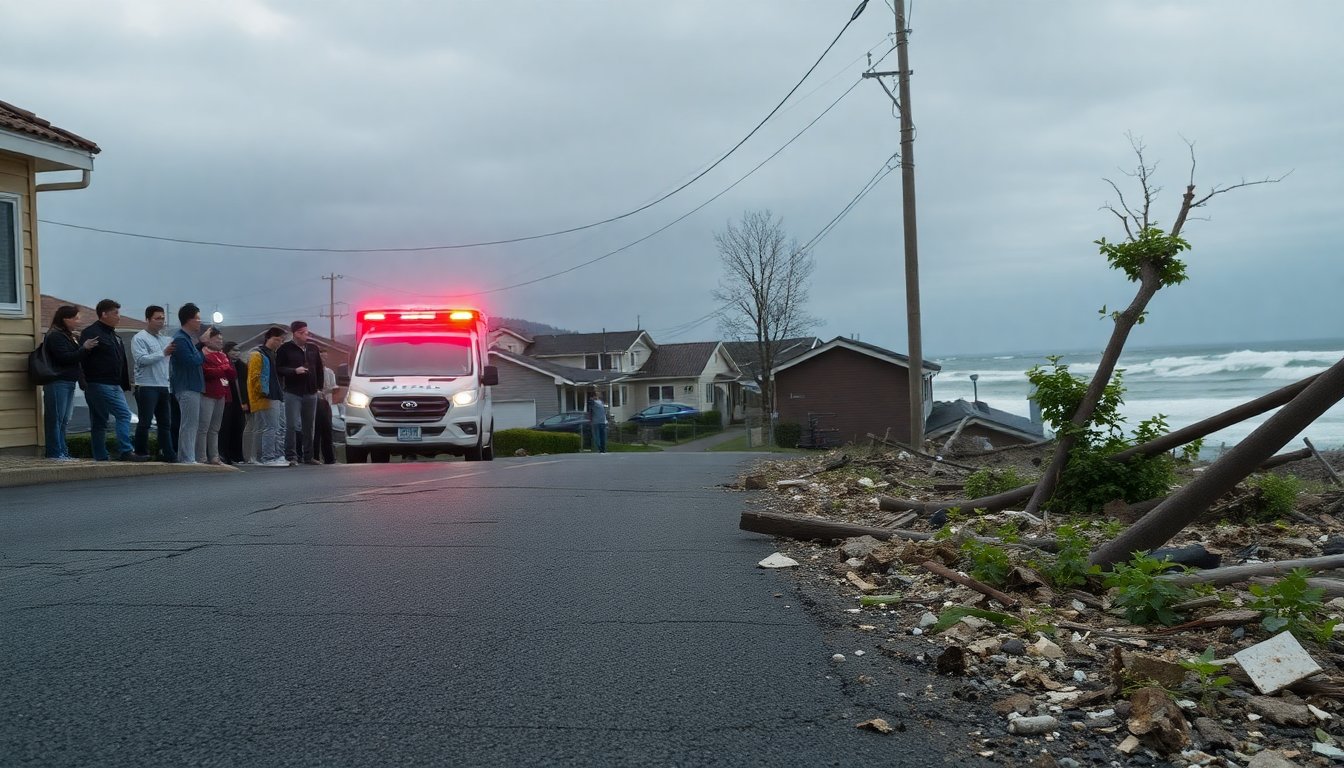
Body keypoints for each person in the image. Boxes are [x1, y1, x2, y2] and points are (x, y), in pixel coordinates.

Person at [78, 299, 147, 462]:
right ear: (104, 314)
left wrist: (124, 383)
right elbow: (82, 358)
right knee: (123, 414)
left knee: (99, 421)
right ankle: (125, 450)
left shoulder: (114, 335)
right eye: (115, 313)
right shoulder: (92, 333)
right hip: (99, 383)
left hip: (114, 384)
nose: (119, 317)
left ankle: (100, 456)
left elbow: (120, 360)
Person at [42, 305, 96, 460]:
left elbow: (75, 358)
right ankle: (54, 453)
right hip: (57, 381)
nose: (79, 321)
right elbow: (64, 358)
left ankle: (63, 451)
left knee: (64, 420)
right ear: (66, 319)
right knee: (56, 419)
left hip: (68, 381)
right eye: (76, 318)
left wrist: (81, 346)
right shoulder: (55, 335)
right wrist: (84, 348)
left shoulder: (69, 335)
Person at [130, 305, 177, 461]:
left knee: (165, 423)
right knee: (145, 421)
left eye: (163, 318)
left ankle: (167, 453)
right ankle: (141, 452)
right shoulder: (140, 338)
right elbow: (141, 360)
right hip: (146, 385)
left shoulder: (165, 339)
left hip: (164, 385)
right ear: (148, 319)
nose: (161, 321)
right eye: (157, 318)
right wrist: (163, 353)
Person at [276, 321, 324, 466]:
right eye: (302, 333)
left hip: (311, 392)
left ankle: (309, 456)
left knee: (309, 425)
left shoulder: (313, 348)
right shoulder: (285, 349)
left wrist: (319, 387)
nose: (305, 335)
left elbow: (319, 369)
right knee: (291, 425)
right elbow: (279, 368)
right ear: (295, 333)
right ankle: (291, 456)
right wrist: (293, 371)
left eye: (306, 332)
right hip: (293, 392)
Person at [169, 303, 205, 463]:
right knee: (188, 424)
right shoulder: (180, 339)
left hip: (192, 386)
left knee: (192, 423)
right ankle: (186, 457)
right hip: (186, 386)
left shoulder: (188, 339)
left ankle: (188, 456)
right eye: (197, 318)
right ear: (188, 320)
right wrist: (201, 351)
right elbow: (191, 361)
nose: (200, 321)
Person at [248, 327, 289, 467]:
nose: (279, 342)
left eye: (281, 340)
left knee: (279, 427)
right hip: (267, 394)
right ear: (268, 338)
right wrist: (260, 393)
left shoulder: (275, 355)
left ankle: (277, 455)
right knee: (270, 427)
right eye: (277, 339)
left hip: (277, 393)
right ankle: (268, 457)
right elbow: (254, 377)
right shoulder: (258, 354)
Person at [196, 327, 235, 466]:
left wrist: (223, 368)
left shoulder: (223, 355)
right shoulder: (202, 354)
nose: (220, 341)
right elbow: (206, 373)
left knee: (215, 428)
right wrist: (222, 368)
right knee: (204, 427)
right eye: (217, 338)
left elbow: (232, 374)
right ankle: (201, 456)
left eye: (221, 339)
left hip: (222, 393)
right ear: (208, 339)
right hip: (207, 393)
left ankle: (214, 456)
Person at [219, 341, 247, 464]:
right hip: (226, 399)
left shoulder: (242, 365)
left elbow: (245, 385)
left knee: (239, 427)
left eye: (238, 350)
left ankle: (237, 455)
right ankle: (225, 455)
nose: (237, 353)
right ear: (227, 351)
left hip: (239, 400)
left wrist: (246, 401)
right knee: (225, 428)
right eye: (233, 350)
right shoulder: (224, 363)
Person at [312, 353, 337, 465]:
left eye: (325, 357)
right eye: (321, 357)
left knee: (327, 430)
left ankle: (329, 458)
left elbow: (333, 386)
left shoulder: (329, 372)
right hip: (315, 402)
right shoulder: (312, 371)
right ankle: (315, 456)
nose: (323, 359)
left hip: (327, 402)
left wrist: (332, 390)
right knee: (316, 430)